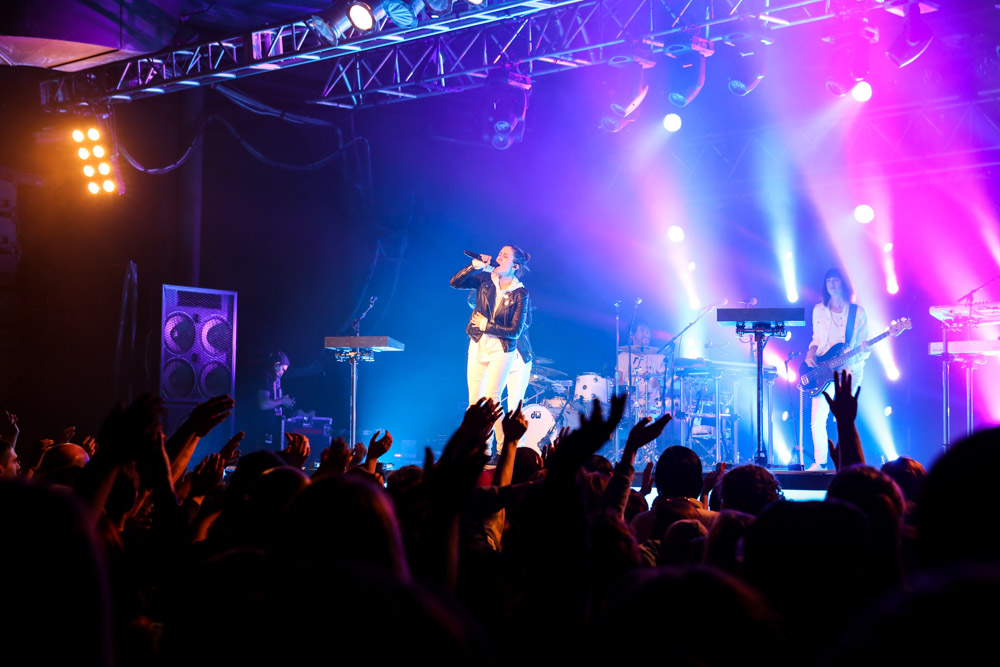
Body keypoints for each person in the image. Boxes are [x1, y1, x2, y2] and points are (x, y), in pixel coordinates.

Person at [450, 245, 530, 449]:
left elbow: (515, 331)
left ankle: (503, 448)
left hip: (502, 348)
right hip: (478, 343)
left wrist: (487, 326)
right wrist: (474, 266)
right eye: (499, 254)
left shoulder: (520, 293)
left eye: (504, 256)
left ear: (515, 266)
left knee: (492, 399)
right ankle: (478, 449)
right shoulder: (486, 280)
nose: (498, 257)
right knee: (474, 402)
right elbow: (455, 283)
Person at [804, 268, 868, 471]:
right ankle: (820, 462)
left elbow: (862, 348)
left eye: (836, 280)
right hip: (823, 369)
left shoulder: (857, 312)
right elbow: (816, 338)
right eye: (829, 280)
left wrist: (862, 350)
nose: (832, 284)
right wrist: (810, 353)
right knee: (817, 419)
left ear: (843, 284)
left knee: (844, 419)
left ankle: (847, 464)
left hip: (848, 371)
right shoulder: (818, 310)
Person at [616, 322, 666, 421]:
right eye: (642, 331)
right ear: (632, 335)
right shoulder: (623, 357)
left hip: (651, 405)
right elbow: (619, 382)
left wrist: (660, 389)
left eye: (648, 332)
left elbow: (662, 383)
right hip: (630, 404)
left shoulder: (659, 357)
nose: (646, 334)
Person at [257, 351, 295, 449]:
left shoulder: (273, 378)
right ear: (276, 364)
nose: (282, 373)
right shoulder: (266, 376)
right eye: (282, 369)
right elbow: (263, 404)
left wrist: (284, 400)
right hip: (260, 429)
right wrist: (282, 401)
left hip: (269, 427)